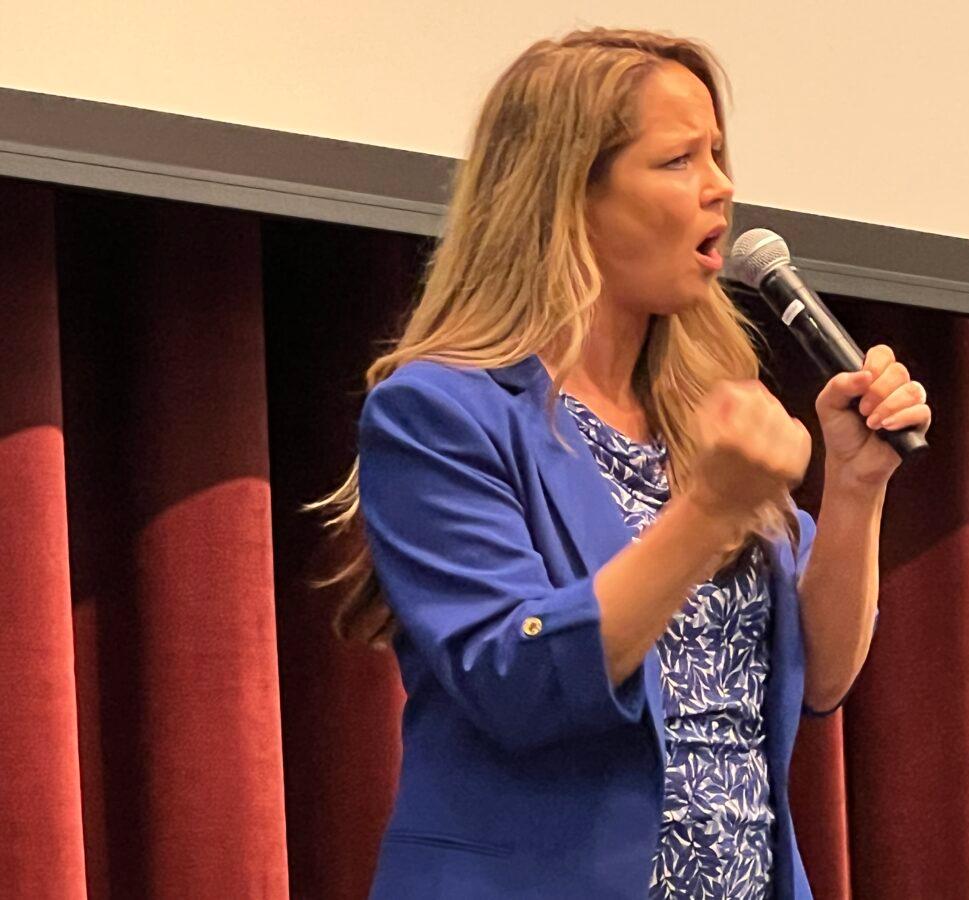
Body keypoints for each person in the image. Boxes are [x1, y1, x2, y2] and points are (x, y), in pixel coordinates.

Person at [309, 27, 932, 899]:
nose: (721, 186)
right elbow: (520, 682)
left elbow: (820, 679)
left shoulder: (703, 408)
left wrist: (858, 486)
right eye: (679, 159)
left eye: (717, 154)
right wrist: (708, 514)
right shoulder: (440, 412)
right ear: (569, 197)